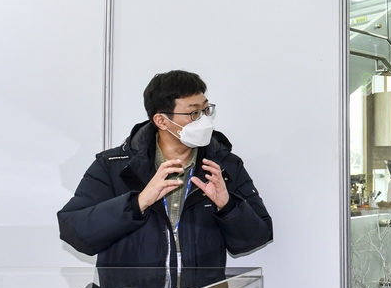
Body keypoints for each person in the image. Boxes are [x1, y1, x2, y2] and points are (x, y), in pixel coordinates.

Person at [58, 71, 274, 276]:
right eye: (194, 113)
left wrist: (228, 207)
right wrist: (138, 202)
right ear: (161, 121)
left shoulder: (224, 166)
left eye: (206, 110)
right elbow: (74, 232)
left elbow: (256, 237)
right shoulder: (114, 166)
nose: (204, 120)